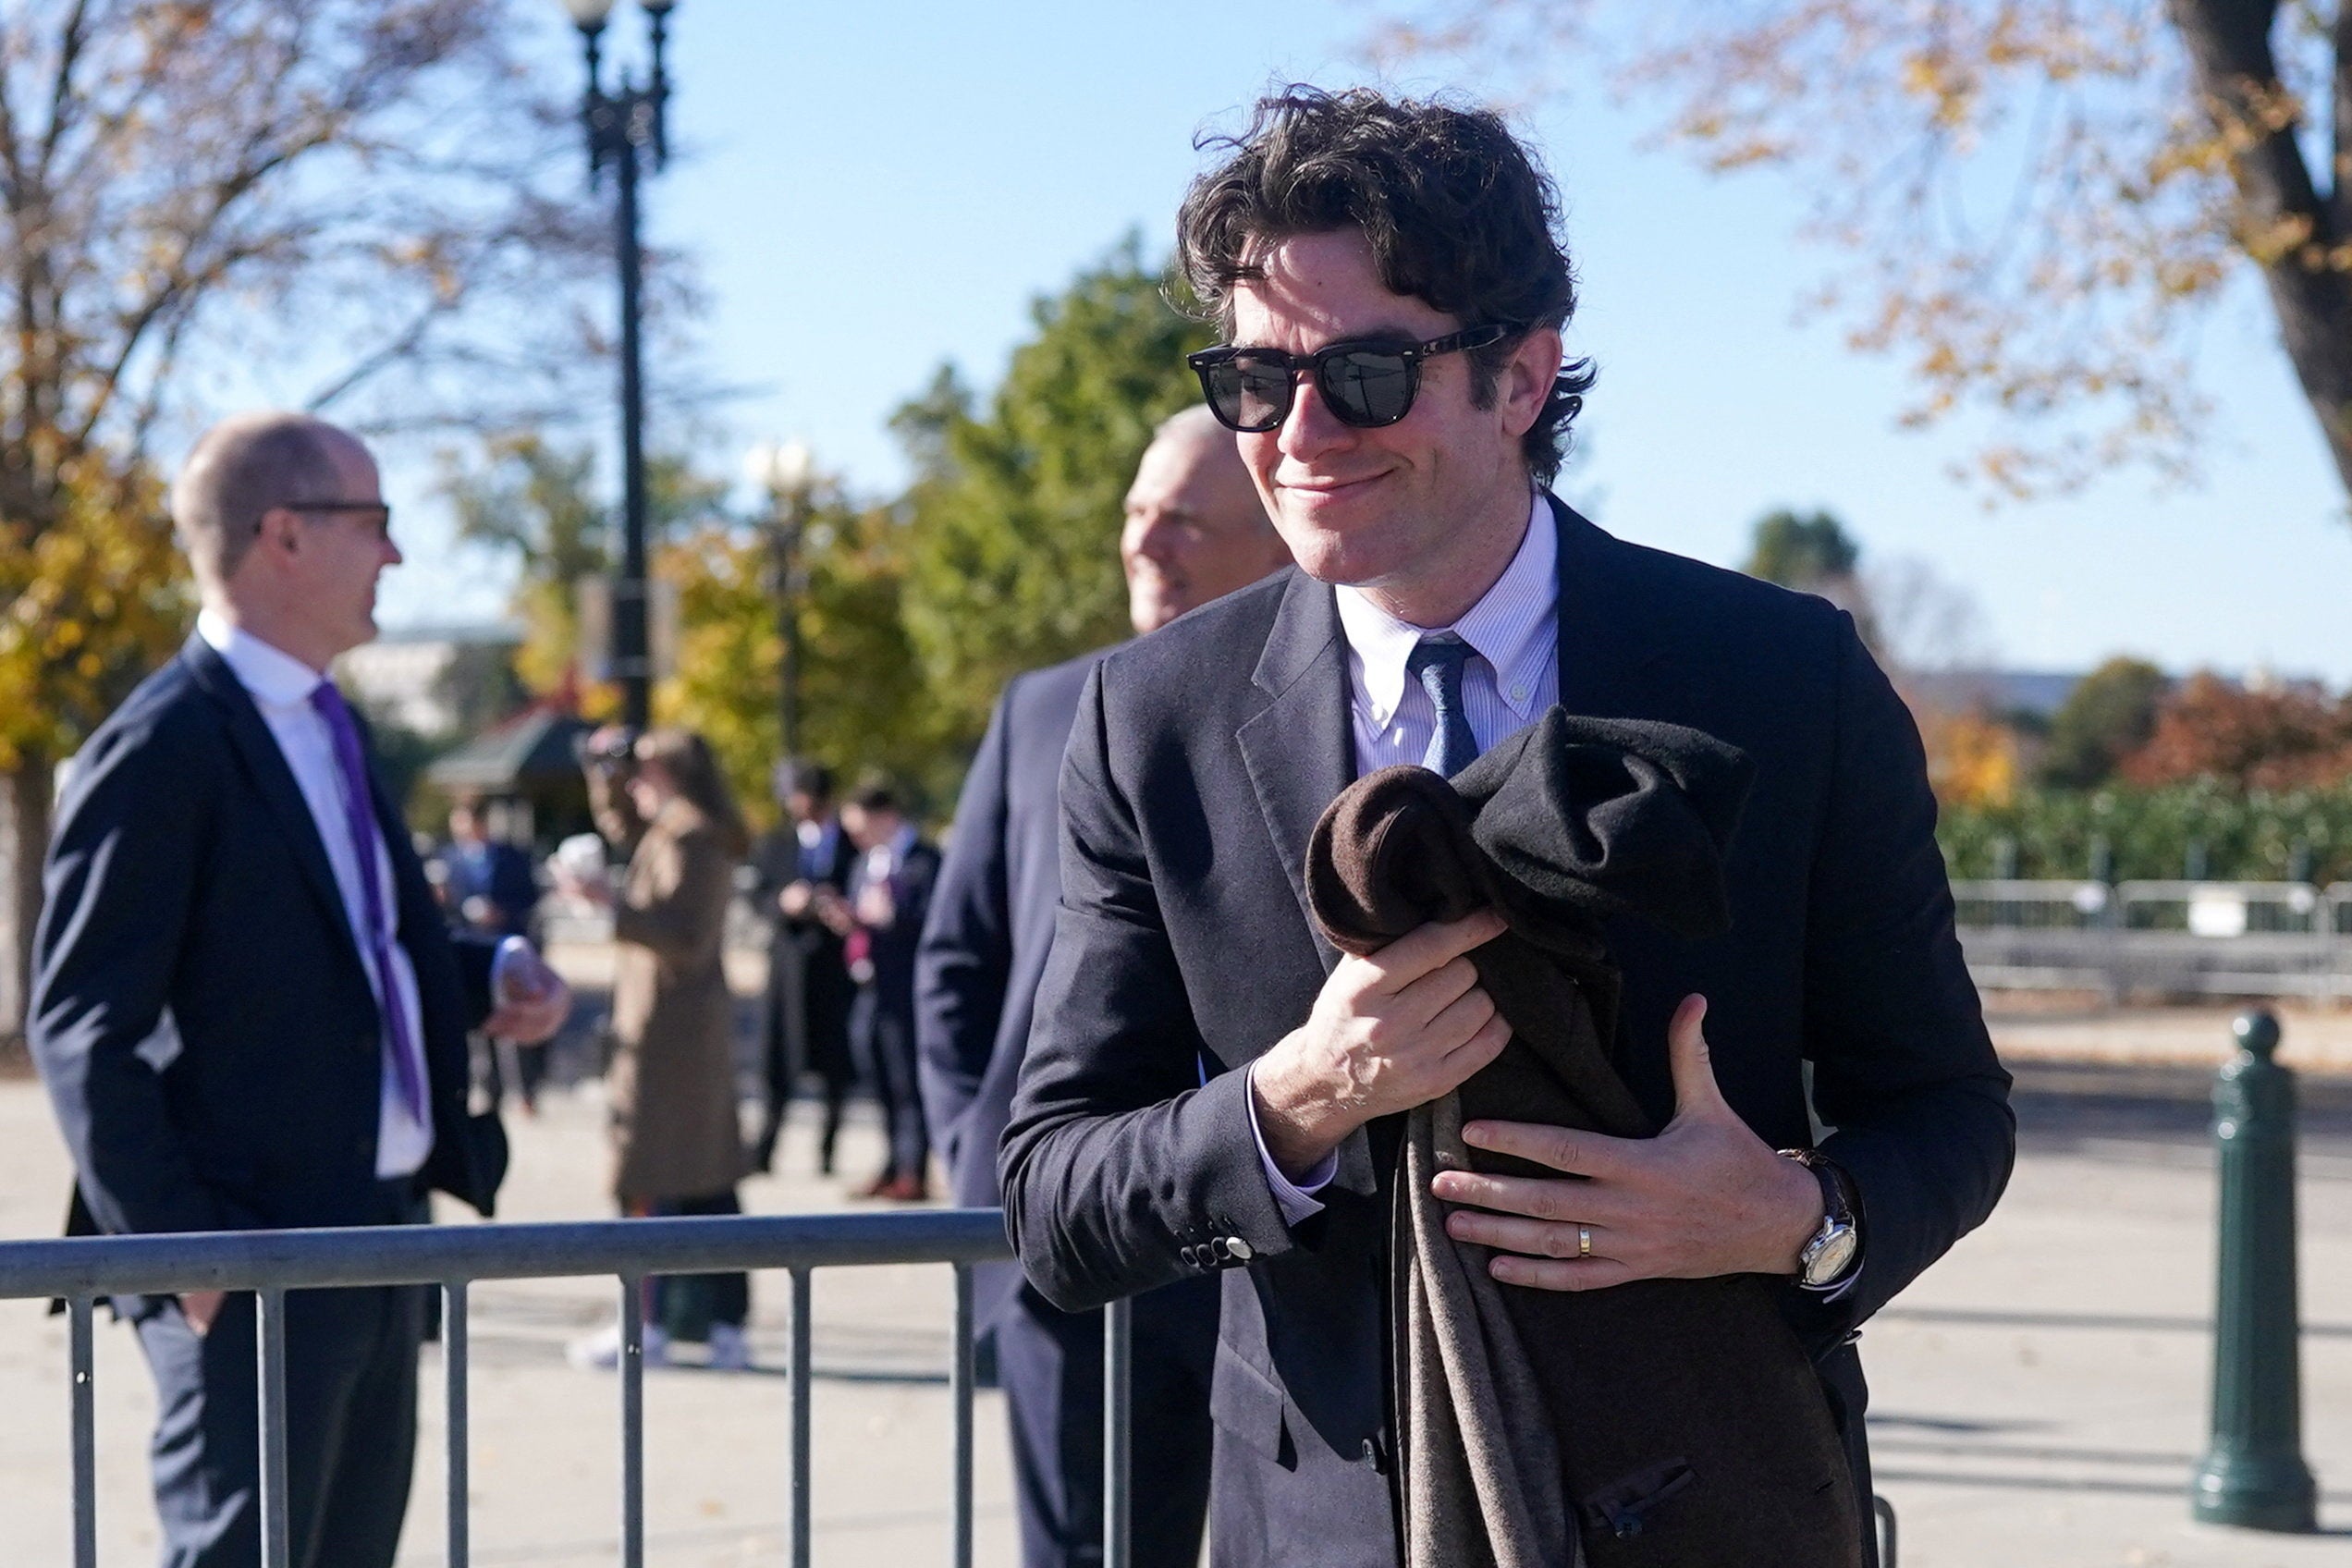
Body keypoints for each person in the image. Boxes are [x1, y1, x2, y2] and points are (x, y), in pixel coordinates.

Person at [998, 88, 2015, 1568]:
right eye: (1255, 381)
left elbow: (1950, 1111)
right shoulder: (1148, 720)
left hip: (1722, 1505)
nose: (1296, 434)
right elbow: (1054, 1195)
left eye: (1363, 373)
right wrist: (1294, 1099)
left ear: (1521, 379)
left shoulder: (1782, 681)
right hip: (1327, 1528)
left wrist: (1798, 1220)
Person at [29, 410, 570, 1568]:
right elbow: (81, 1024)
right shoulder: (162, 745)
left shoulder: (331, 724)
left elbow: (337, 946)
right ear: (282, 534)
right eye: (373, 521)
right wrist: (183, 1254)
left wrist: (487, 976)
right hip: (251, 1255)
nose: (396, 553)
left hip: (378, 1236)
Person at [916, 403, 1292, 1568]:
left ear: (1276, 533)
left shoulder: (1320, 707)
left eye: (1182, 519)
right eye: (1137, 513)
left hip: (1270, 1256)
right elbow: (956, 959)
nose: (1146, 541)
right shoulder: (1040, 709)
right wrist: (972, 1143)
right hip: (1065, 1261)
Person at [566, 728, 756, 1371]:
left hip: (674, 1035)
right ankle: (709, 1322)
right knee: (701, 1179)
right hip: (673, 1031)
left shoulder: (692, 835)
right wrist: (602, 768)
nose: (634, 783)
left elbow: (688, 937)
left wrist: (609, 907)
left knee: (653, 1178)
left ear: (673, 775)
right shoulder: (676, 826)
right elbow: (621, 819)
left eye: (642, 771)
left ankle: (651, 1324)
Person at [747, 759, 859, 1175]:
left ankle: (828, 1150)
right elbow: (756, 895)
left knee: (835, 1065)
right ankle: (764, 1148)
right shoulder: (775, 844)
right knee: (777, 1060)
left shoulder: (851, 844)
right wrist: (783, 902)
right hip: (788, 967)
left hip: (834, 969)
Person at [839, 780, 939, 1201]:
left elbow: (935, 920)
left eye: (861, 827)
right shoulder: (866, 863)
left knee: (907, 1080)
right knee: (876, 1073)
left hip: (908, 987)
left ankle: (913, 1169)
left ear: (884, 817)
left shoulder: (923, 860)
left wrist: (893, 917)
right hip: (868, 984)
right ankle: (890, 1162)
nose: (855, 838)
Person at [442, 794, 548, 1112]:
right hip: (471, 948)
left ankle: (526, 1089)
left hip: (507, 945)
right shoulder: (450, 859)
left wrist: (502, 913)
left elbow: (529, 898)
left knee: (520, 1021)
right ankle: (491, 1093)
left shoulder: (511, 856)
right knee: (482, 1027)